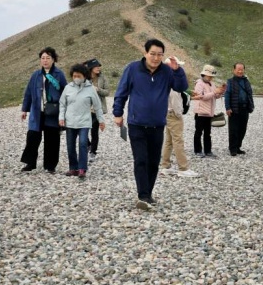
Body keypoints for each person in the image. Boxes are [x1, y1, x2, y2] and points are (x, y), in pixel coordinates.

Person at [113, 39, 188, 211]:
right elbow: (121, 92)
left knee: (154, 162)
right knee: (141, 159)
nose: (155, 58)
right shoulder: (133, 69)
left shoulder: (167, 72)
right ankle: (143, 195)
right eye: (152, 54)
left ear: (163, 56)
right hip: (136, 123)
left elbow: (181, 86)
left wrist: (177, 70)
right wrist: (118, 113)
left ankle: (148, 193)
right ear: (145, 53)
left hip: (157, 124)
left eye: (159, 54)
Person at [20, 47, 68, 173]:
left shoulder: (59, 74)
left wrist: (65, 110)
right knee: (32, 137)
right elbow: (29, 93)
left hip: (52, 112)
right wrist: (24, 109)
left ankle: (50, 166)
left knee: (52, 139)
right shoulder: (36, 75)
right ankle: (30, 163)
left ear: (53, 60)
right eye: (43, 58)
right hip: (37, 112)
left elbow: (65, 92)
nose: (45, 61)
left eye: (48, 58)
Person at [59, 63, 105, 179]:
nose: (76, 78)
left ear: (84, 76)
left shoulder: (90, 89)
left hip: (84, 121)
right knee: (70, 145)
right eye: (74, 76)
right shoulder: (68, 88)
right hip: (70, 122)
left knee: (83, 143)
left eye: (79, 76)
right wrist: (61, 117)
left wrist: (101, 120)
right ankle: (73, 168)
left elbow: (97, 106)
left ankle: (82, 169)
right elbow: (62, 104)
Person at [160, 75, 200, 177]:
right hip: (174, 115)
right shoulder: (174, 88)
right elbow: (176, 102)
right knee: (178, 141)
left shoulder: (165, 83)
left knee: (169, 141)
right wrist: (179, 114)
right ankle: (183, 168)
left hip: (167, 113)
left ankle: (165, 166)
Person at [191, 64, 225, 159]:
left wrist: (220, 92)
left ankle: (208, 151)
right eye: (209, 76)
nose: (210, 78)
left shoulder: (212, 84)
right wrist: (214, 92)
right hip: (200, 112)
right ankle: (197, 150)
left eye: (211, 76)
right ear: (204, 75)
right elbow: (201, 97)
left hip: (209, 112)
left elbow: (214, 96)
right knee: (198, 132)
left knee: (207, 132)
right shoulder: (199, 84)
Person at [224, 63, 254, 156]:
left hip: (245, 108)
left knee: (242, 129)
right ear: (234, 70)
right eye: (238, 69)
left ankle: (238, 147)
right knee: (233, 129)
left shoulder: (246, 81)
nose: (240, 71)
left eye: (242, 69)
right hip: (234, 108)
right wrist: (228, 107)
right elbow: (227, 94)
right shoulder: (230, 81)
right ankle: (232, 149)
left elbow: (250, 94)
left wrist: (251, 106)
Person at [84, 58, 109, 163]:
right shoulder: (85, 78)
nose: (98, 68)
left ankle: (93, 152)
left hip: (97, 109)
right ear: (91, 68)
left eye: (99, 66)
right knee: (83, 131)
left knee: (94, 131)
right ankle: (88, 145)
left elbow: (107, 92)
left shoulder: (103, 78)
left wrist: (98, 90)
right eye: (96, 66)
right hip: (85, 109)